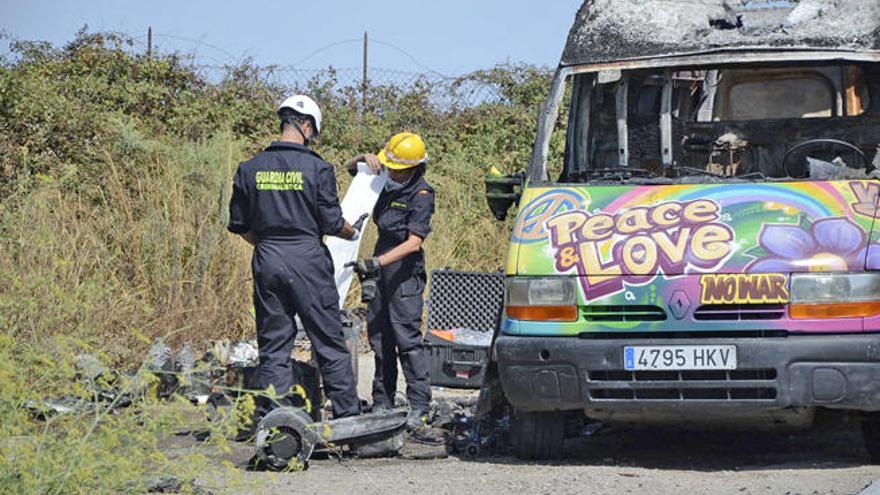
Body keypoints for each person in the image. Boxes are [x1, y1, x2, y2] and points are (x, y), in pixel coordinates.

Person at [228, 95, 364, 426]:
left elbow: (240, 226)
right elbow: (333, 223)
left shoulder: (250, 168)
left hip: (267, 257)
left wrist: (268, 246)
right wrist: (352, 231)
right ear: (306, 126)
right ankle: (349, 422)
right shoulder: (317, 167)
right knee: (328, 341)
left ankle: (270, 421)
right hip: (308, 259)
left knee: (274, 345)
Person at [346, 132, 435, 430]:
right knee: (380, 339)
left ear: (411, 168)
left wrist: (377, 262)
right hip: (380, 272)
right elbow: (352, 171)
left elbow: (414, 242)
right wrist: (363, 160)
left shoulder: (421, 195)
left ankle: (420, 405)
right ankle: (382, 400)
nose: (390, 170)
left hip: (404, 275)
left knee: (407, 341)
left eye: (395, 166)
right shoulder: (385, 181)